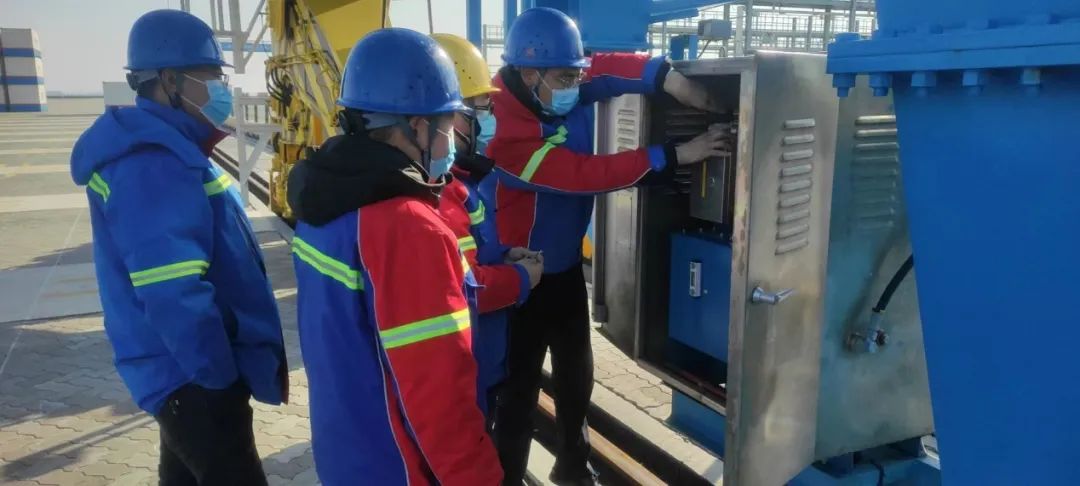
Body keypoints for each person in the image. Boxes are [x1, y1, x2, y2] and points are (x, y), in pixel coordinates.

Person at [485, 7, 728, 485]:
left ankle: (572, 468)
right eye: (565, 77)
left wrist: (668, 79)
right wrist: (678, 154)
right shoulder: (505, 136)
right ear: (529, 75)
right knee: (518, 392)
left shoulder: (556, 87)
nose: (576, 85)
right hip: (521, 279)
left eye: (575, 74)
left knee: (577, 378)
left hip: (564, 271)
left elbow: (606, 69)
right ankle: (507, 476)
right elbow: (583, 176)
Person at [69, 9, 287, 486]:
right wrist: (218, 379)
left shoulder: (169, 148)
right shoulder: (153, 164)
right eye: (211, 77)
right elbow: (172, 290)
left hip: (183, 370)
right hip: (193, 377)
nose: (221, 89)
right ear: (170, 81)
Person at [287, 28, 502, 486]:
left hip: (346, 453)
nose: (451, 140)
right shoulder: (408, 227)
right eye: (447, 124)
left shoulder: (322, 200)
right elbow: (439, 399)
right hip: (398, 469)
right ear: (417, 127)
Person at [431, 33, 544, 422]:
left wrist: (503, 255)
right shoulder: (441, 197)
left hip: (480, 363)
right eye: (480, 109)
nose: (489, 120)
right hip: (466, 376)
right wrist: (521, 277)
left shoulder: (460, 181)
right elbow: (462, 288)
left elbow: (469, 256)